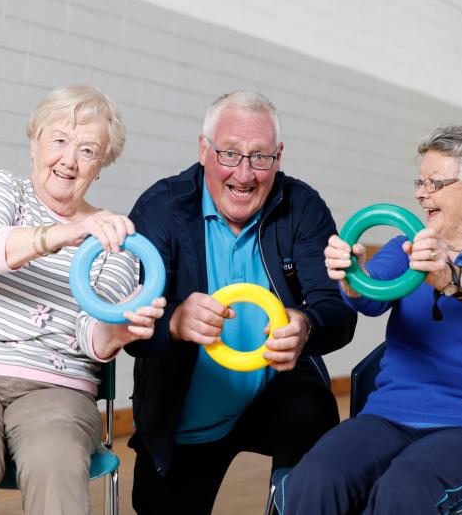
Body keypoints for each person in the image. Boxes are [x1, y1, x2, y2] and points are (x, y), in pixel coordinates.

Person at [0, 84, 166, 515]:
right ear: (34, 143)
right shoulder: (4, 189)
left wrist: (120, 329)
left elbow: (93, 338)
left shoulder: (116, 239)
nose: (69, 160)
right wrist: (64, 232)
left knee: (55, 457)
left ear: (101, 165)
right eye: (59, 140)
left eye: (87, 150)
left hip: (57, 389)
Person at [275, 123, 462, 514]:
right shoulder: (405, 247)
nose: (421, 193)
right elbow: (370, 296)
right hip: (389, 417)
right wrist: (351, 275)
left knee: (405, 488)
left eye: (435, 183)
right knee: (314, 479)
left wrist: (451, 277)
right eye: (420, 182)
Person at [125, 91, 358, 513]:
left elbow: (337, 311)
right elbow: (132, 330)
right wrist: (175, 321)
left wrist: (305, 325)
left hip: (276, 395)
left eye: (260, 157)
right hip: (186, 414)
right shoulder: (161, 209)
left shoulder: (302, 207)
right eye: (229, 154)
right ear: (204, 150)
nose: (244, 174)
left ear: (278, 157)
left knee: (314, 410)